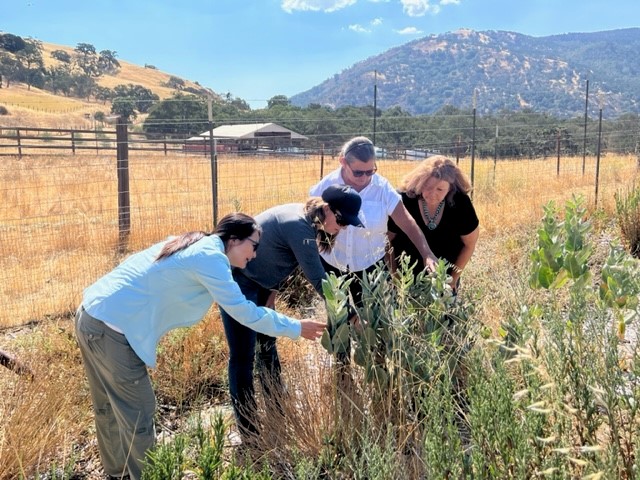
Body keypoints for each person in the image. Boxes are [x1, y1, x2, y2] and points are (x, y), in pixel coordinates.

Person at [74, 213, 326, 480]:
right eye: (254, 246)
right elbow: (244, 312)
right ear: (233, 239)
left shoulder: (197, 245)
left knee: (110, 408)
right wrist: (296, 327)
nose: (255, 255)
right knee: (138, 414)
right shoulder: (211, 258)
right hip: (110, 327)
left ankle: (118, 473)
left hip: (92, 315)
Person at [219, 185, 363, 438]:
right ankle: (249, 428)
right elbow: (318, 279)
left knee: (267, 347)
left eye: (347, 224)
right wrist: (350, 314)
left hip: (261, 285)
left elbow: (278, 258)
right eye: (340, 220)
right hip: (241, 282)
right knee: (243, 356)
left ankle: (275, 407)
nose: (341, 227)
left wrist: (271, 292)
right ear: (327, 209)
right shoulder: (299, 226)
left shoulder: (309, 221)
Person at [309, 136, 438, 306]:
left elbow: (406, 222)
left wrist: (426, 253)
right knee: (338, 319)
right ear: (343, 162)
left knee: (372, 320)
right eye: (358, 172)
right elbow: (310, 221)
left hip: (370, 266)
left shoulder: (382, 188)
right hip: (332, 263)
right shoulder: (325, 186)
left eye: (370, 171)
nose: (364, 177)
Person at [387, 155, 479, 292]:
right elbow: (386, 241)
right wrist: (395, 277)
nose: (432, 194)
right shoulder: (402, 200)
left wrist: (453, 280)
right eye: (427, 187)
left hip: (444, 278)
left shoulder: (461, 203)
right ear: (419, 182)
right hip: (404, 278)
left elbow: (470, 244)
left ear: (451, 188)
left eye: (440, 189)